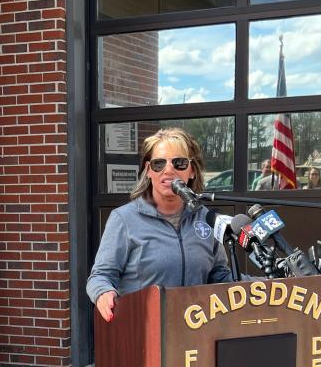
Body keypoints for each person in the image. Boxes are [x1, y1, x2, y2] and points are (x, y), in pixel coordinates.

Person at [86, 127, 233, 322]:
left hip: (197, 334)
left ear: (192, 172)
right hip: (143, 333)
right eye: (159, 163)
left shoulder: (206, 219)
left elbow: (220, 276)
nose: (168, 170)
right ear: (148, 171)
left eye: (179, 163)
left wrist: (264, 284)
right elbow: (101, 276)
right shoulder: (124, 219)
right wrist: (103, 292)